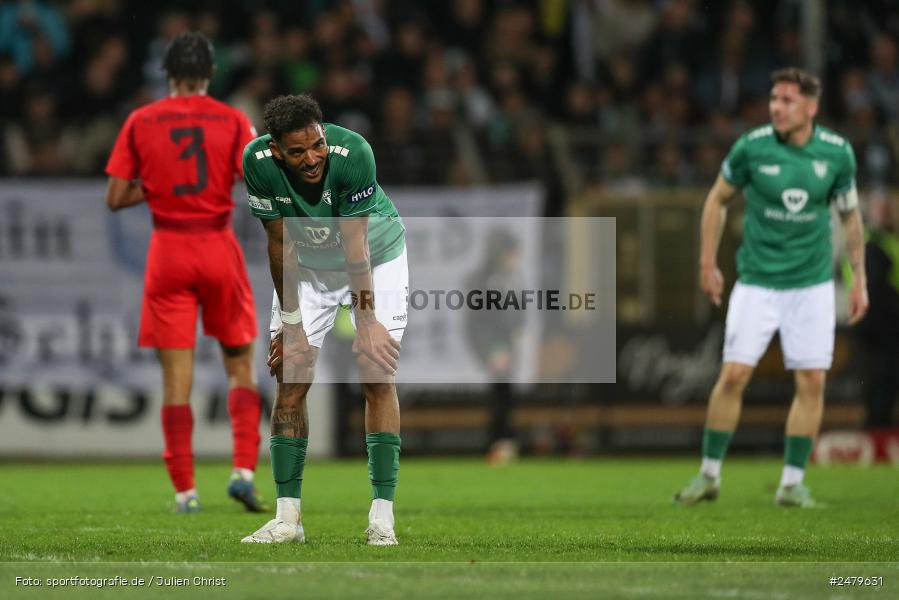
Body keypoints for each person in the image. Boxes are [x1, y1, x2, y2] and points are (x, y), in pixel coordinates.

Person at [674, 67, 869, 508]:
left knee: (812, 382)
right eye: (774, 99)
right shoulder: (752, 147)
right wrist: (707, 262)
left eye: (787, 100)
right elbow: (716, 200)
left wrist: (859, 280)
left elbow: (850, 219)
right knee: (734, 375)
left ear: (811, 107)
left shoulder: (838, 155)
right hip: (758, 282)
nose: (776, 107)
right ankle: (708, 475)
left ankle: (792, 483)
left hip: (812, 286)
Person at [105, 32, 266, 514]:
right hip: (217, 245)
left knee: (177, 381)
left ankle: (185, 492)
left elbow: (115, 197)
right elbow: (257, 177)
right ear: (210, 73)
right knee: (240, 366)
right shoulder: (234, 119)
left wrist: (156, 188)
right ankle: (242, 470)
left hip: (168, 251)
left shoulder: (141, 120)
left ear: (168, 75)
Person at [239, 94, 407, 545]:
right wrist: (290, 325)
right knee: (289, 379)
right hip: (309, 266)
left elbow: (358, 249)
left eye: (317, 145)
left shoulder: (354, 154)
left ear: (323, 132)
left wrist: (367, 322)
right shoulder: (255, 162)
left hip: (378, 256)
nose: (312, 159)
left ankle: (381, 517)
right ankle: (287, 520)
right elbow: (279, 244)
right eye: (297, 152)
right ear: (276, 151)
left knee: (377, 374)